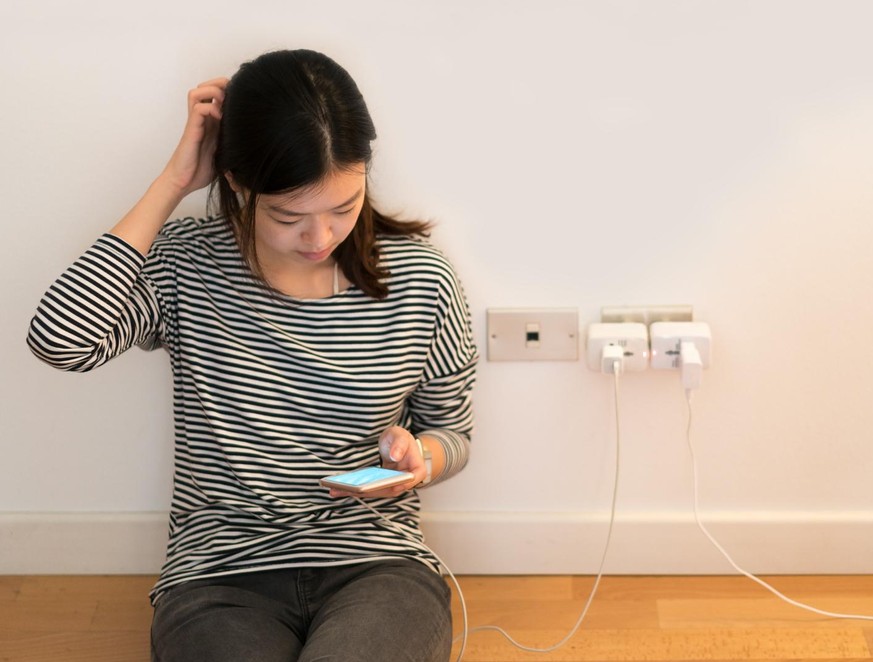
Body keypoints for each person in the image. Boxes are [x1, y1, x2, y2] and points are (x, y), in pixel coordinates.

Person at [27, 49, 477, 662]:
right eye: (289, 217)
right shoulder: (186, 263)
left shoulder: (422, 280)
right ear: (238, 184)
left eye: (342, 209)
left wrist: (420, 458)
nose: (318, 239)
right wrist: (174, 183)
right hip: (218, 575)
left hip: (375, 563)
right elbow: (60, 341)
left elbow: (452, 433)